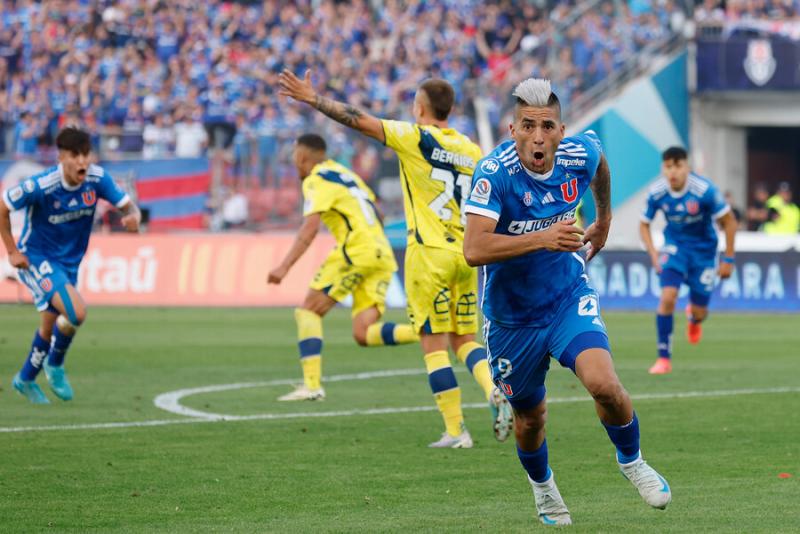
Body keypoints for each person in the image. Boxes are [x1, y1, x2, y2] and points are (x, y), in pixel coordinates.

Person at [463, 78, 671, 526]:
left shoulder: (578, 154)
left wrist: (605, 218)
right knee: (530, 418)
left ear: (561, 130)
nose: (538, 137)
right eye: (528, 126)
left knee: (605, 385)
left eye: (548, 127)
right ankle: (544, 490)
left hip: (566, 297)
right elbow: (474, 250)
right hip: (511, 318)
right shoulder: (493, 174)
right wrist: (542, 237)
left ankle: (633, 462)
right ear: (513, 129)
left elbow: (600, 166)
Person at [278, 70, 512, 447]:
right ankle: (493, 391)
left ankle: (456, 431)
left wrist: (314, 99)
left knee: (433, 344)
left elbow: (358, 119)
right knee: (464, 339)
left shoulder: (415, 137)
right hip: (466, 255)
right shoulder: (472, 150)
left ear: (420, 107)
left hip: (429, 254)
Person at [268, 134, 418, 401]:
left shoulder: (317, 179)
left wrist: (284, 267)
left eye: (294, 158)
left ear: (302, 157)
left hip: (356, 250)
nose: (295, 164)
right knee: (363, 332)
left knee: (308, 312)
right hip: (381, 253)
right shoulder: (346, 175)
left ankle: (312, 385)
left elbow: (310, 228)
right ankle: (429, 332)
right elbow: (378, 213)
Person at [0, 126, 141, 404]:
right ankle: (55, 364)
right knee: (76, 312)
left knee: (50, 325)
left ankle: (26, 378)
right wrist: (12, 251)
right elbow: (3, 208)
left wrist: (133, 216)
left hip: (69, 263)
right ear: (61, 157)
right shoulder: (40, 186)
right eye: (75, 155)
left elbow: (129, 207)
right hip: (37, 258)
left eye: (86, 154)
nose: (83, 161)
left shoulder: (98, 179)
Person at [640, 147, 737, 375]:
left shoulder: (705, 190)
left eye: (678, 166)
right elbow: (644, 224)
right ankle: (663, 358)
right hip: (675, 248)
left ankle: (693, 317)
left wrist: (728, 258)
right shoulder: (656, 193)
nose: (673, 172)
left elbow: (730, 222)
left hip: (704, 252)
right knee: (668, 297)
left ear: (687, 167)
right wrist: (654, 254)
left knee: (701, 312)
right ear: (663, 168)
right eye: (668, 166)